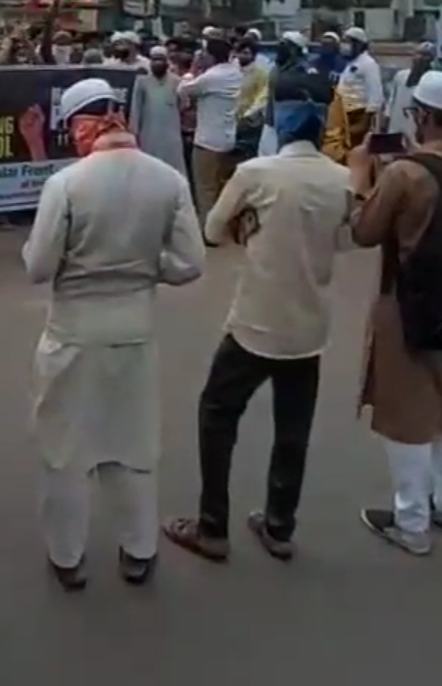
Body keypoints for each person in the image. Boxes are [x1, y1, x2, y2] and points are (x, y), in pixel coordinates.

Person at [22, 78, 207, 589]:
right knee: (133, 446)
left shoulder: (67, 184)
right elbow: (190, 263)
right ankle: (139, 550)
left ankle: (67, 557)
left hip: (72, 335)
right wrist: (147, 269)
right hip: (135, 332)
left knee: (65, 451)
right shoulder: (167, 178)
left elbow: (38, 267)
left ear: (80, 124)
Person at [161, 72, 348, 563]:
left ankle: (212, 526)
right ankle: (279, 526)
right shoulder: (341, 178)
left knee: (217, 415)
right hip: (310, 329)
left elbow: (214, 230)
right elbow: (345, 239)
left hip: (254, 325)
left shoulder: (256, 174)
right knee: (293, 430)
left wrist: (251, 227)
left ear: (276, 116)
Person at [347, 71, 442, 556]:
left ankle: (412, 522)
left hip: (406, 306)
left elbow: (364, 231)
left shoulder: (405, 173)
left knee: (404, 413)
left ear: (422, 116)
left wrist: (362, 176)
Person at [179, 37, 244, 217]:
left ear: (212, 56)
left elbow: (183, 90)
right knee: (220, 187)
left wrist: (192, 70)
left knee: (205, 188)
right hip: (228, 138)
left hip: (207, 141)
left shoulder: (212, 76)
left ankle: (208, 230)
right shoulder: (235, 73)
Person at [129, 46, 186, 175]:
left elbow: (183, 106)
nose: (157, 63)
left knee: (173, 166)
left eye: (160, 59)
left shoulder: (176, 81)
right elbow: (135, 108)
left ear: (167, 61)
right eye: (154, 60)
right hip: (148, 132)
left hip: (172, 133)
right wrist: (134, 132)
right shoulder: (142, 81)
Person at [337, 26, 386, 140]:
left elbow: (376, 96)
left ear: (359, 44)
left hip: (359, 115)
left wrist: (364, 122)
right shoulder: (350, 63)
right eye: (344, 41)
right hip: (345, 113)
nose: (345, 45)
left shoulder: (368, 64)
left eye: (348, 42)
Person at [382, 42, 436, 143]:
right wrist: (386, 117)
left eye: (426, 55)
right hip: (396, 123)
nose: (420, 58)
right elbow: (392, 99)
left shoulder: (432, 81)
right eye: (419, 53)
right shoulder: (401, 76)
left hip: (415, 128)